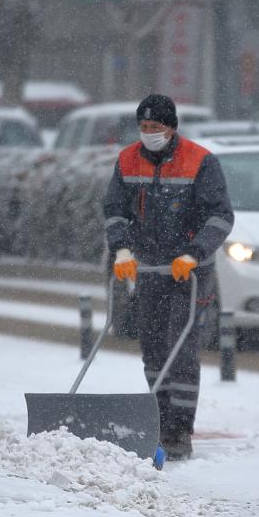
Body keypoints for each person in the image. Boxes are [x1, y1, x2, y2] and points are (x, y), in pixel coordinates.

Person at [103, 94, 235, 461]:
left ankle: (179, 429)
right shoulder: (128, 160)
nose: (149, 134)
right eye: (143, 128)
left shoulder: (201, 162)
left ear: (172, 127)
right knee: (154, 346)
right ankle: (156, 421)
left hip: (189, 271)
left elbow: (220, 216)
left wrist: (194, 252)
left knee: (182, 348)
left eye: (156, 128)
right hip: (149, 267)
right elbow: (115, 211)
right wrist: (122, 249)